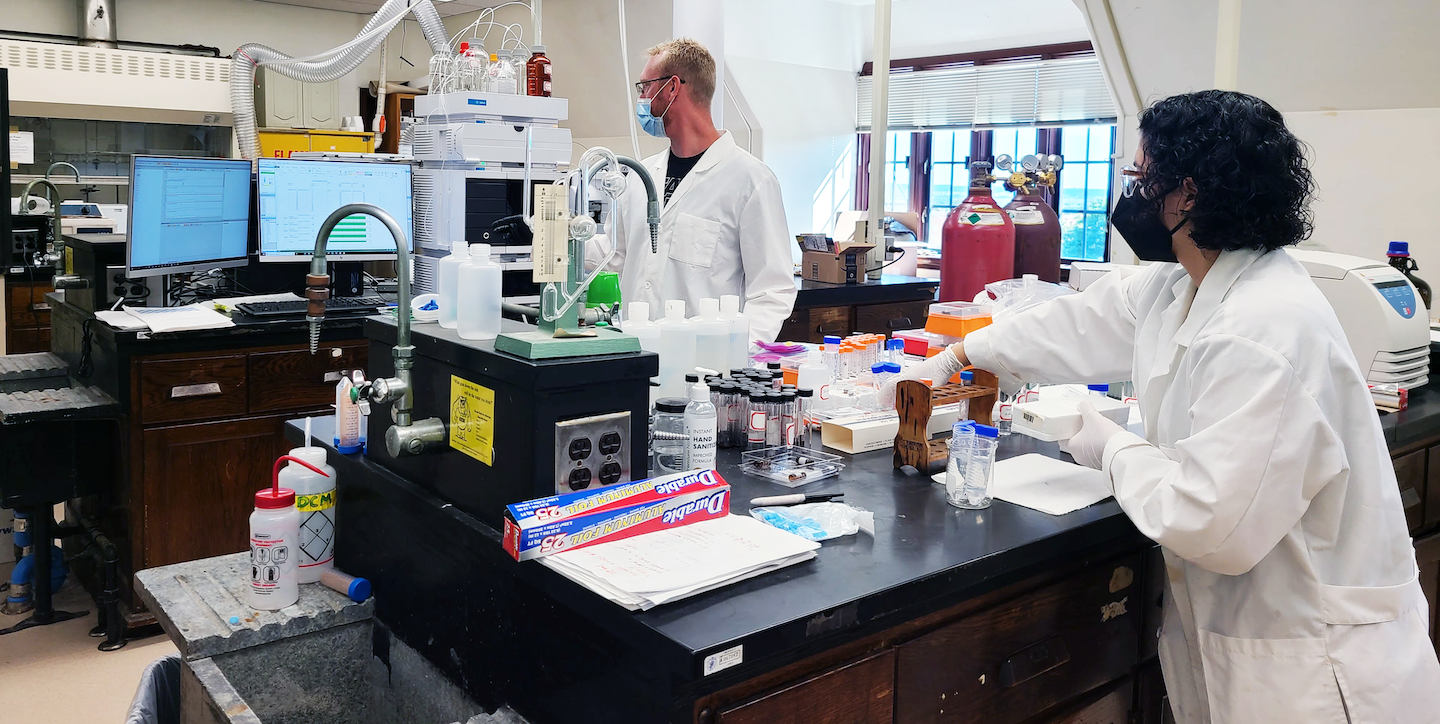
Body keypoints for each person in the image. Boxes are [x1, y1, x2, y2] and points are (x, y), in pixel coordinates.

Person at [886, 90, 1440, 723]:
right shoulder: (1187, 282)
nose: (1134, 196)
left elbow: (1210, 524)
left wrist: (1107, 445)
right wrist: (958, 356)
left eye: (1142, 178)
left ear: (1190, 192)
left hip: (1315, 670)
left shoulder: (1265, 327)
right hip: (1246, 648)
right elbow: (1075, 325)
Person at [586, 38, 796, 342]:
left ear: (671, 87)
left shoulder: (750, 180)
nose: (641, 99)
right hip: (636, 358)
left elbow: (771, 291)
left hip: (705, 368)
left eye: (644, 87)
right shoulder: (641, 176)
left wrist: (737, 355)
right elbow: (614, 255)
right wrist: (553, 239)